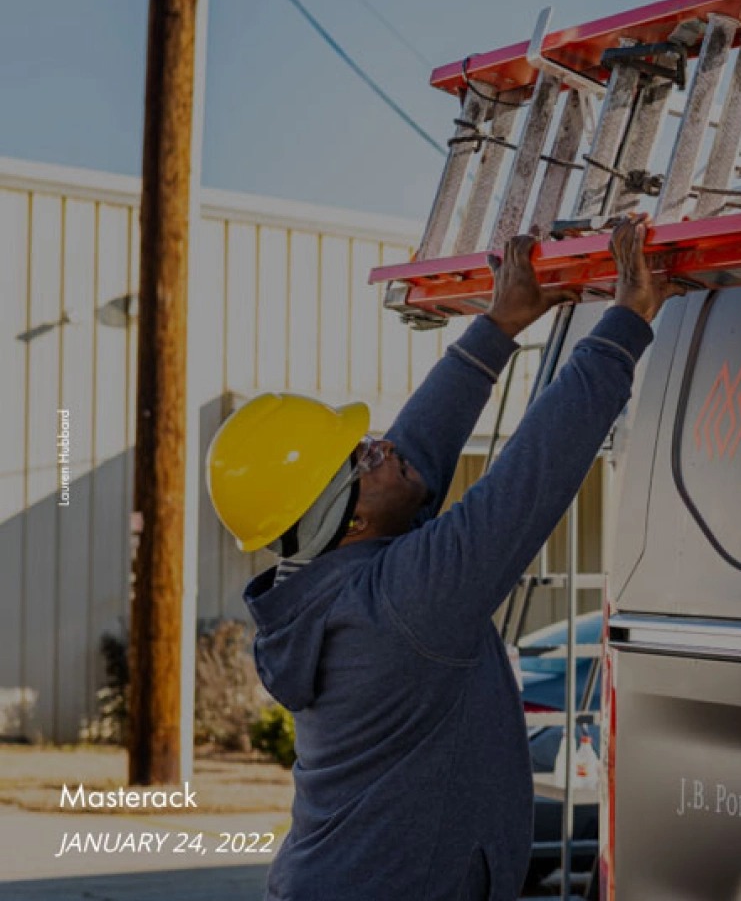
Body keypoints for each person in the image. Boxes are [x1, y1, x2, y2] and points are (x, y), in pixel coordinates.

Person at [204, 215, 675, 900]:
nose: (386, 447)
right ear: (352, 517)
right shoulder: (399, 602)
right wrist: (627, 324)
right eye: (365, 457)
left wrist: (497, 326)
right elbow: (528, 479)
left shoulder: (334, 579)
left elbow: (413, 461)